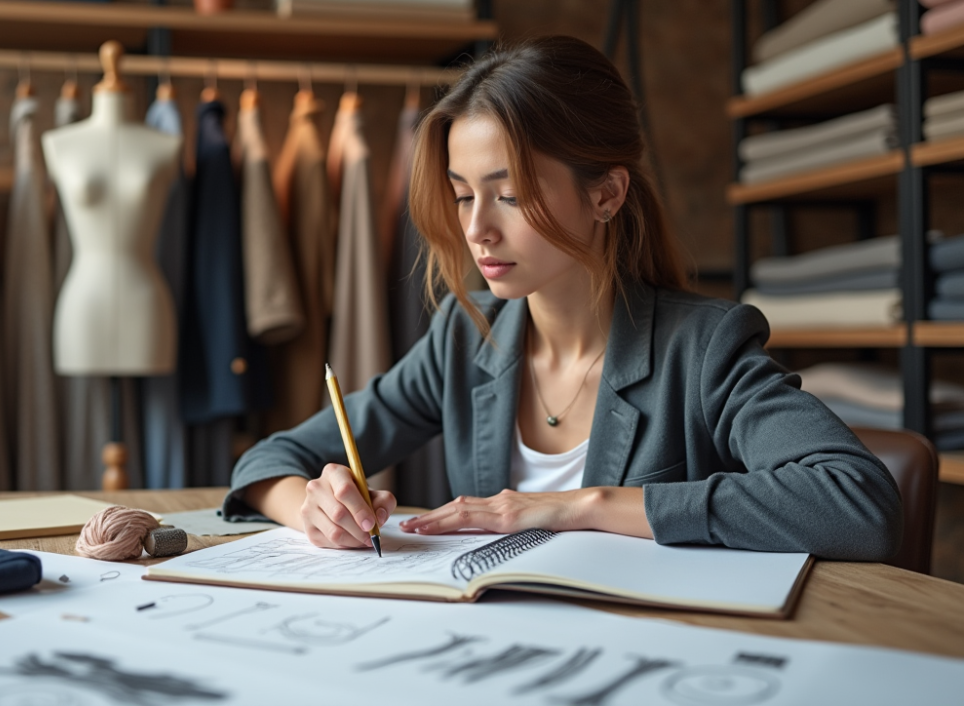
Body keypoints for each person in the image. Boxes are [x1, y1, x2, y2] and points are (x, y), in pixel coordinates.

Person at [224, 35, 902, 561]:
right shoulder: (468, 338)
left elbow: (858, 504)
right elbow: (267, 462)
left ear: (605, 194)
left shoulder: (703, 349)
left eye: (510, 194)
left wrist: (588, 506)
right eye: (464, 195)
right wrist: (311, 506)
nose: (477, 228)